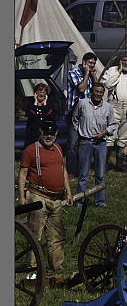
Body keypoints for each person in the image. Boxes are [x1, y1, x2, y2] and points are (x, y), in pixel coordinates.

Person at [18, 121, 73, 284]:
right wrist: (22, 197)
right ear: (41, 132)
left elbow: (63, 171)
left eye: (52, 133)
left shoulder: (58, 148)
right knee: (35, 236)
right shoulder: (31, 150)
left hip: (56, 199)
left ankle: (56, 268)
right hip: (38, 196)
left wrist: (68, 192)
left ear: (56, 134)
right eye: (46, 133)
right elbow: (23, 174)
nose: (49, 136)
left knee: (57, 236)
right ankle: (32, 270)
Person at [72, 83, 116, 207]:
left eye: (101, 92)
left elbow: (113, 124)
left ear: (103, 93)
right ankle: (79, 201)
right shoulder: (83, 103)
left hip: (100, 143)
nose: (98, 94)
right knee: (83, 174)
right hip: (85, 142)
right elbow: (75, 119)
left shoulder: (108, 107)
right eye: (96, 91)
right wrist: (79, 133)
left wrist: (105, 132)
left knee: (100, 174)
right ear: (91, 92)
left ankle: (100, 201)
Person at [66, 51, 97, 179]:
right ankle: (71, 171)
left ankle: (81, 169)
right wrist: (86, 74)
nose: (92, 65)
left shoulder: (91, 74)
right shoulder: (73, 73)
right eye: (90, 63)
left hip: (87, 112)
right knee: (72, 144)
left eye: (93, 63)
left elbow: (98, 90)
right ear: (84, 62)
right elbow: (81, 89)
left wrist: (94, 76)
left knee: (83, 143)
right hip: (74, 112)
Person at [22, 83, 58, 151]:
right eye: (39, 92)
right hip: (33, 133)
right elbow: (32, 116)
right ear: (35, 93)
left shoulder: (50, 106)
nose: (41, 94)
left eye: (44, 92)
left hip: (45, 133)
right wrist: (35, 104)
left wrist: (45, 105)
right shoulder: (30, 105)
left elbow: (51, 116)